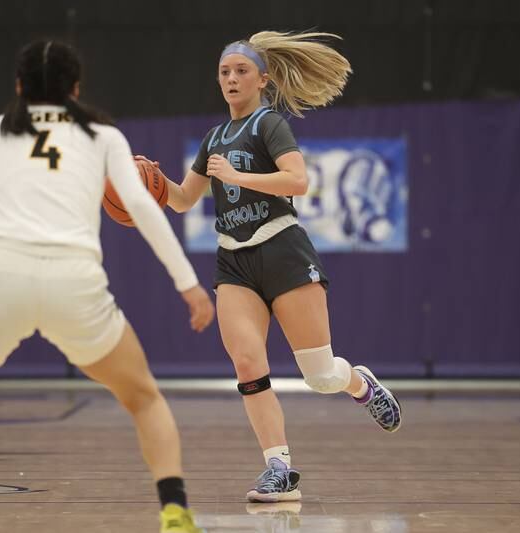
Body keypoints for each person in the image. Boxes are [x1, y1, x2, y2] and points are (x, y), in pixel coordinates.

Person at [0, 40, 212, 533]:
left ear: (18, 86)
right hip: (75, 285)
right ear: (75, 89)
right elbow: (140, 208)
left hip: (0, 280)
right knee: (144, 398)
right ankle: (175, 512)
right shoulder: (103, 136)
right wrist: (188, 283)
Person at [136, 31, 402, 503]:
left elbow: (298, 180)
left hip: (283, 250)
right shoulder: (213, 137)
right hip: (233, 261)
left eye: (241, 71)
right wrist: (152, 185)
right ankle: (278, 468)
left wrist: (237, 176)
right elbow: (182, 200)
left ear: (262, 79)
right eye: (224, 72)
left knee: (319, 376)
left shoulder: (268, 124)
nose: (232, 79)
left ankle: (360, 383)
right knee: (247, 364)